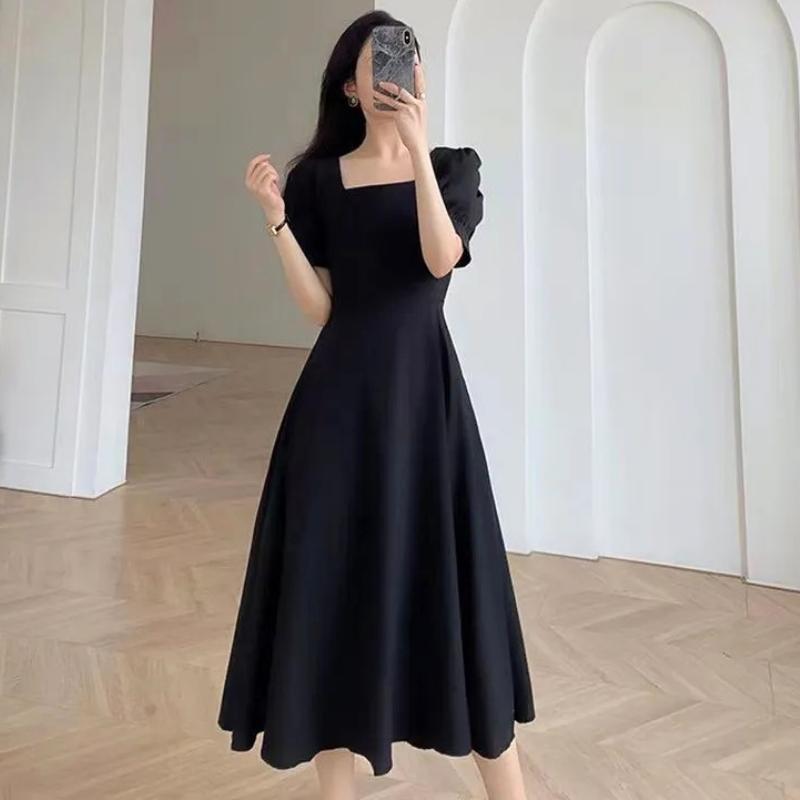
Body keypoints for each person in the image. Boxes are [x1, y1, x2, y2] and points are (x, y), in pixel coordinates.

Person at [217, 10, 535, 800]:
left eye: (406, 56)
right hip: (335, 412)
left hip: (425, 412)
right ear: (350, 89)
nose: (397, 70)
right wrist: (277, 221)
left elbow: (439, 257)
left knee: (454, 598)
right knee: (329, 596)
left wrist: (417, 150)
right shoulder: (317, 181)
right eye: (379, 60)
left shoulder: (453, 168)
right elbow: (320, 310)